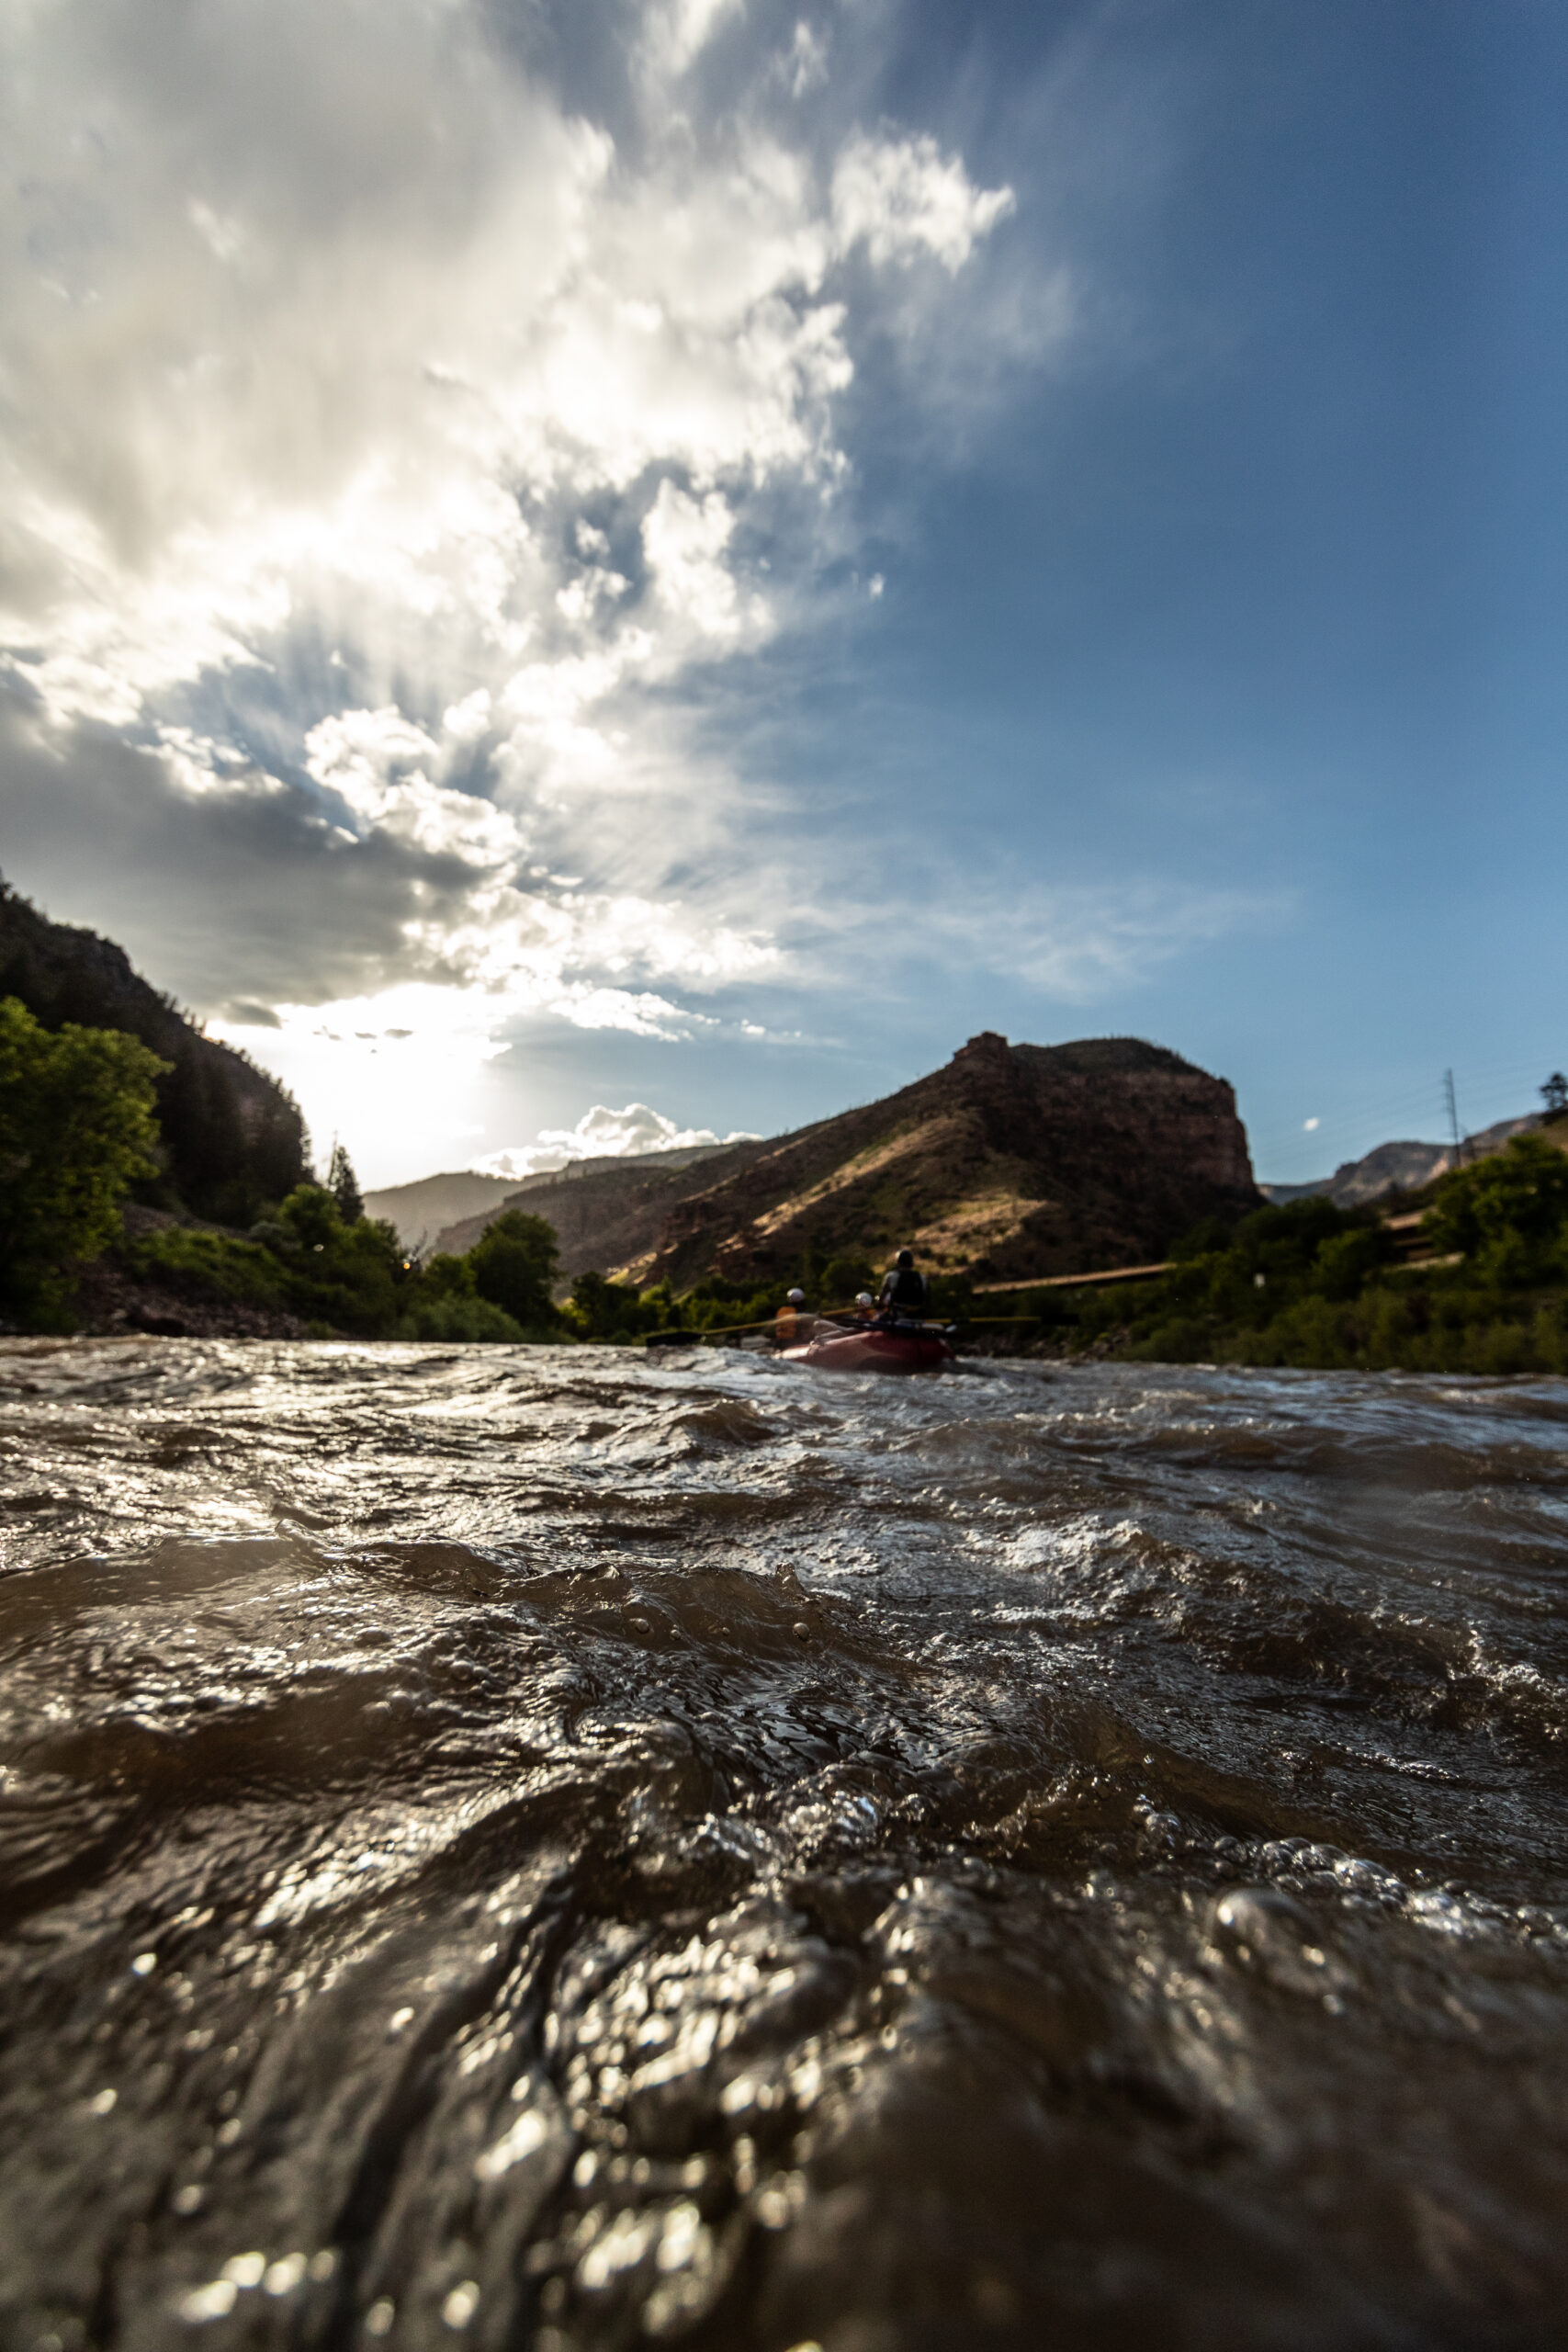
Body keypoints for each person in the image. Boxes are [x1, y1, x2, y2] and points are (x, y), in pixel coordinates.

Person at [878, 1249, 929, 1318]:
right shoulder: (922, 1278)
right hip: (917, 1317)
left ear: (899, 1262)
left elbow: (882, 1298)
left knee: (878, 1318)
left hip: (896, 1316)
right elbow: (924, 1297)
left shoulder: (892, 1276)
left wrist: (879, 1305)